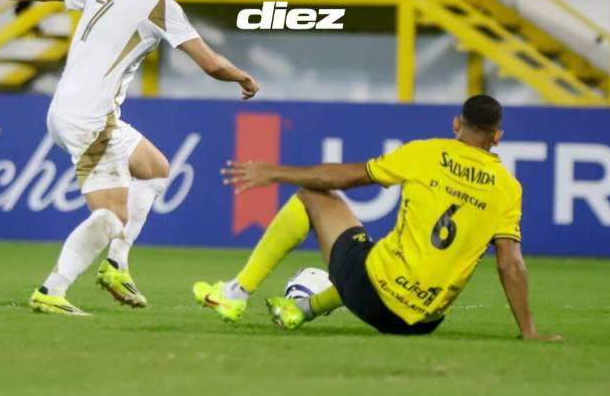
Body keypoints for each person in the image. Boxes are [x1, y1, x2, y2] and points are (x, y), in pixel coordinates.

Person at [0, 0, 260, 316]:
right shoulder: (160, 2)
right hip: (91, 118)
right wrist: (243, 77)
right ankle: (51, 290)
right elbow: (210, 63)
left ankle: (116, 266)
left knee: (155, 169)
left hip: (68, 110)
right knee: (111, 216)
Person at [195, 95, 562, 342]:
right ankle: (303, 307)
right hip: (423, 324)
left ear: (456, 124)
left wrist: (275, 173)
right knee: (378, 253)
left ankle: (234, 293)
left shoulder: (426, 153)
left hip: (370, 295)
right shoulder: (508, 188)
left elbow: (343, 177)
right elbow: (509, 264)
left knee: (312, 198)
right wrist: (529, 331)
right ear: (497, 137)